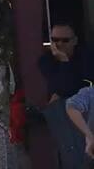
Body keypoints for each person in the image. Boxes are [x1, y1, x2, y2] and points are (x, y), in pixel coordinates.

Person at [40, 23, 94, 169]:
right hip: (62, 117)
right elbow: (63, 86)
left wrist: (65, 63)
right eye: (55, 40)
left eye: (65, 40)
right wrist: (64, 61)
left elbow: (85, 86)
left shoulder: (86, 56)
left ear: (75, 41)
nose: (59, 44)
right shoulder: (46, 60)